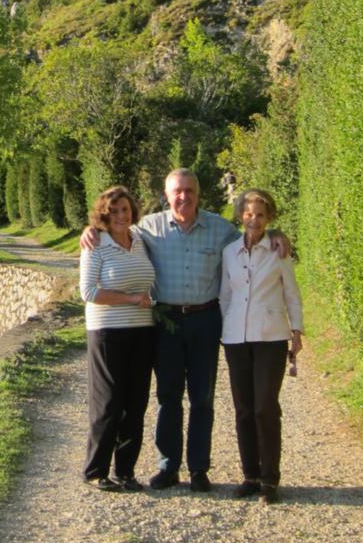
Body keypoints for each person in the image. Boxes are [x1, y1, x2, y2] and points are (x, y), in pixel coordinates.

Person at [81, 168, 289, 492]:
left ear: (198, 194)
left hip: (206, 319)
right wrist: (90, 230)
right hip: (166, 323)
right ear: (167, 195)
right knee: (167, 397)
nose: (183, 197)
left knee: (202, 398)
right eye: (177, 191)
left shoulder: (221, 230)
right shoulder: (147, 229)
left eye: (189, 191)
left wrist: (277, 233)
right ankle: (168, 467)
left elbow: (254, 233)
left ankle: (198, 469)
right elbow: (113, 226)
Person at [220, 188, 303, 504]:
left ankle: (270, 479)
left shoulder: (278, 251)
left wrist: (296, 330)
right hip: (236, 339)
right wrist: (224, 326)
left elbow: (291, 293)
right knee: (243, 409)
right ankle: (249, 475)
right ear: (241, 215)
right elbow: (225, 295)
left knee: (264, 407)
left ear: (270, 218)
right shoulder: (229, 252)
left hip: (271, 336)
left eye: (260, 214)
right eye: (249, 213)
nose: (253, 220)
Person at [80, 185, 156, 491]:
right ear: (104, 215)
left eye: (125, 210)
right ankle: (95, 470)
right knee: (108, 402)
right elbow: (88, 292)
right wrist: (132, 299)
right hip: (107, 331)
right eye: (114, 211)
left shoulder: (140, 241)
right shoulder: (95, 244)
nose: (121, 216)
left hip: (142, 330)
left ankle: (126, 470)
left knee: (136, 403)